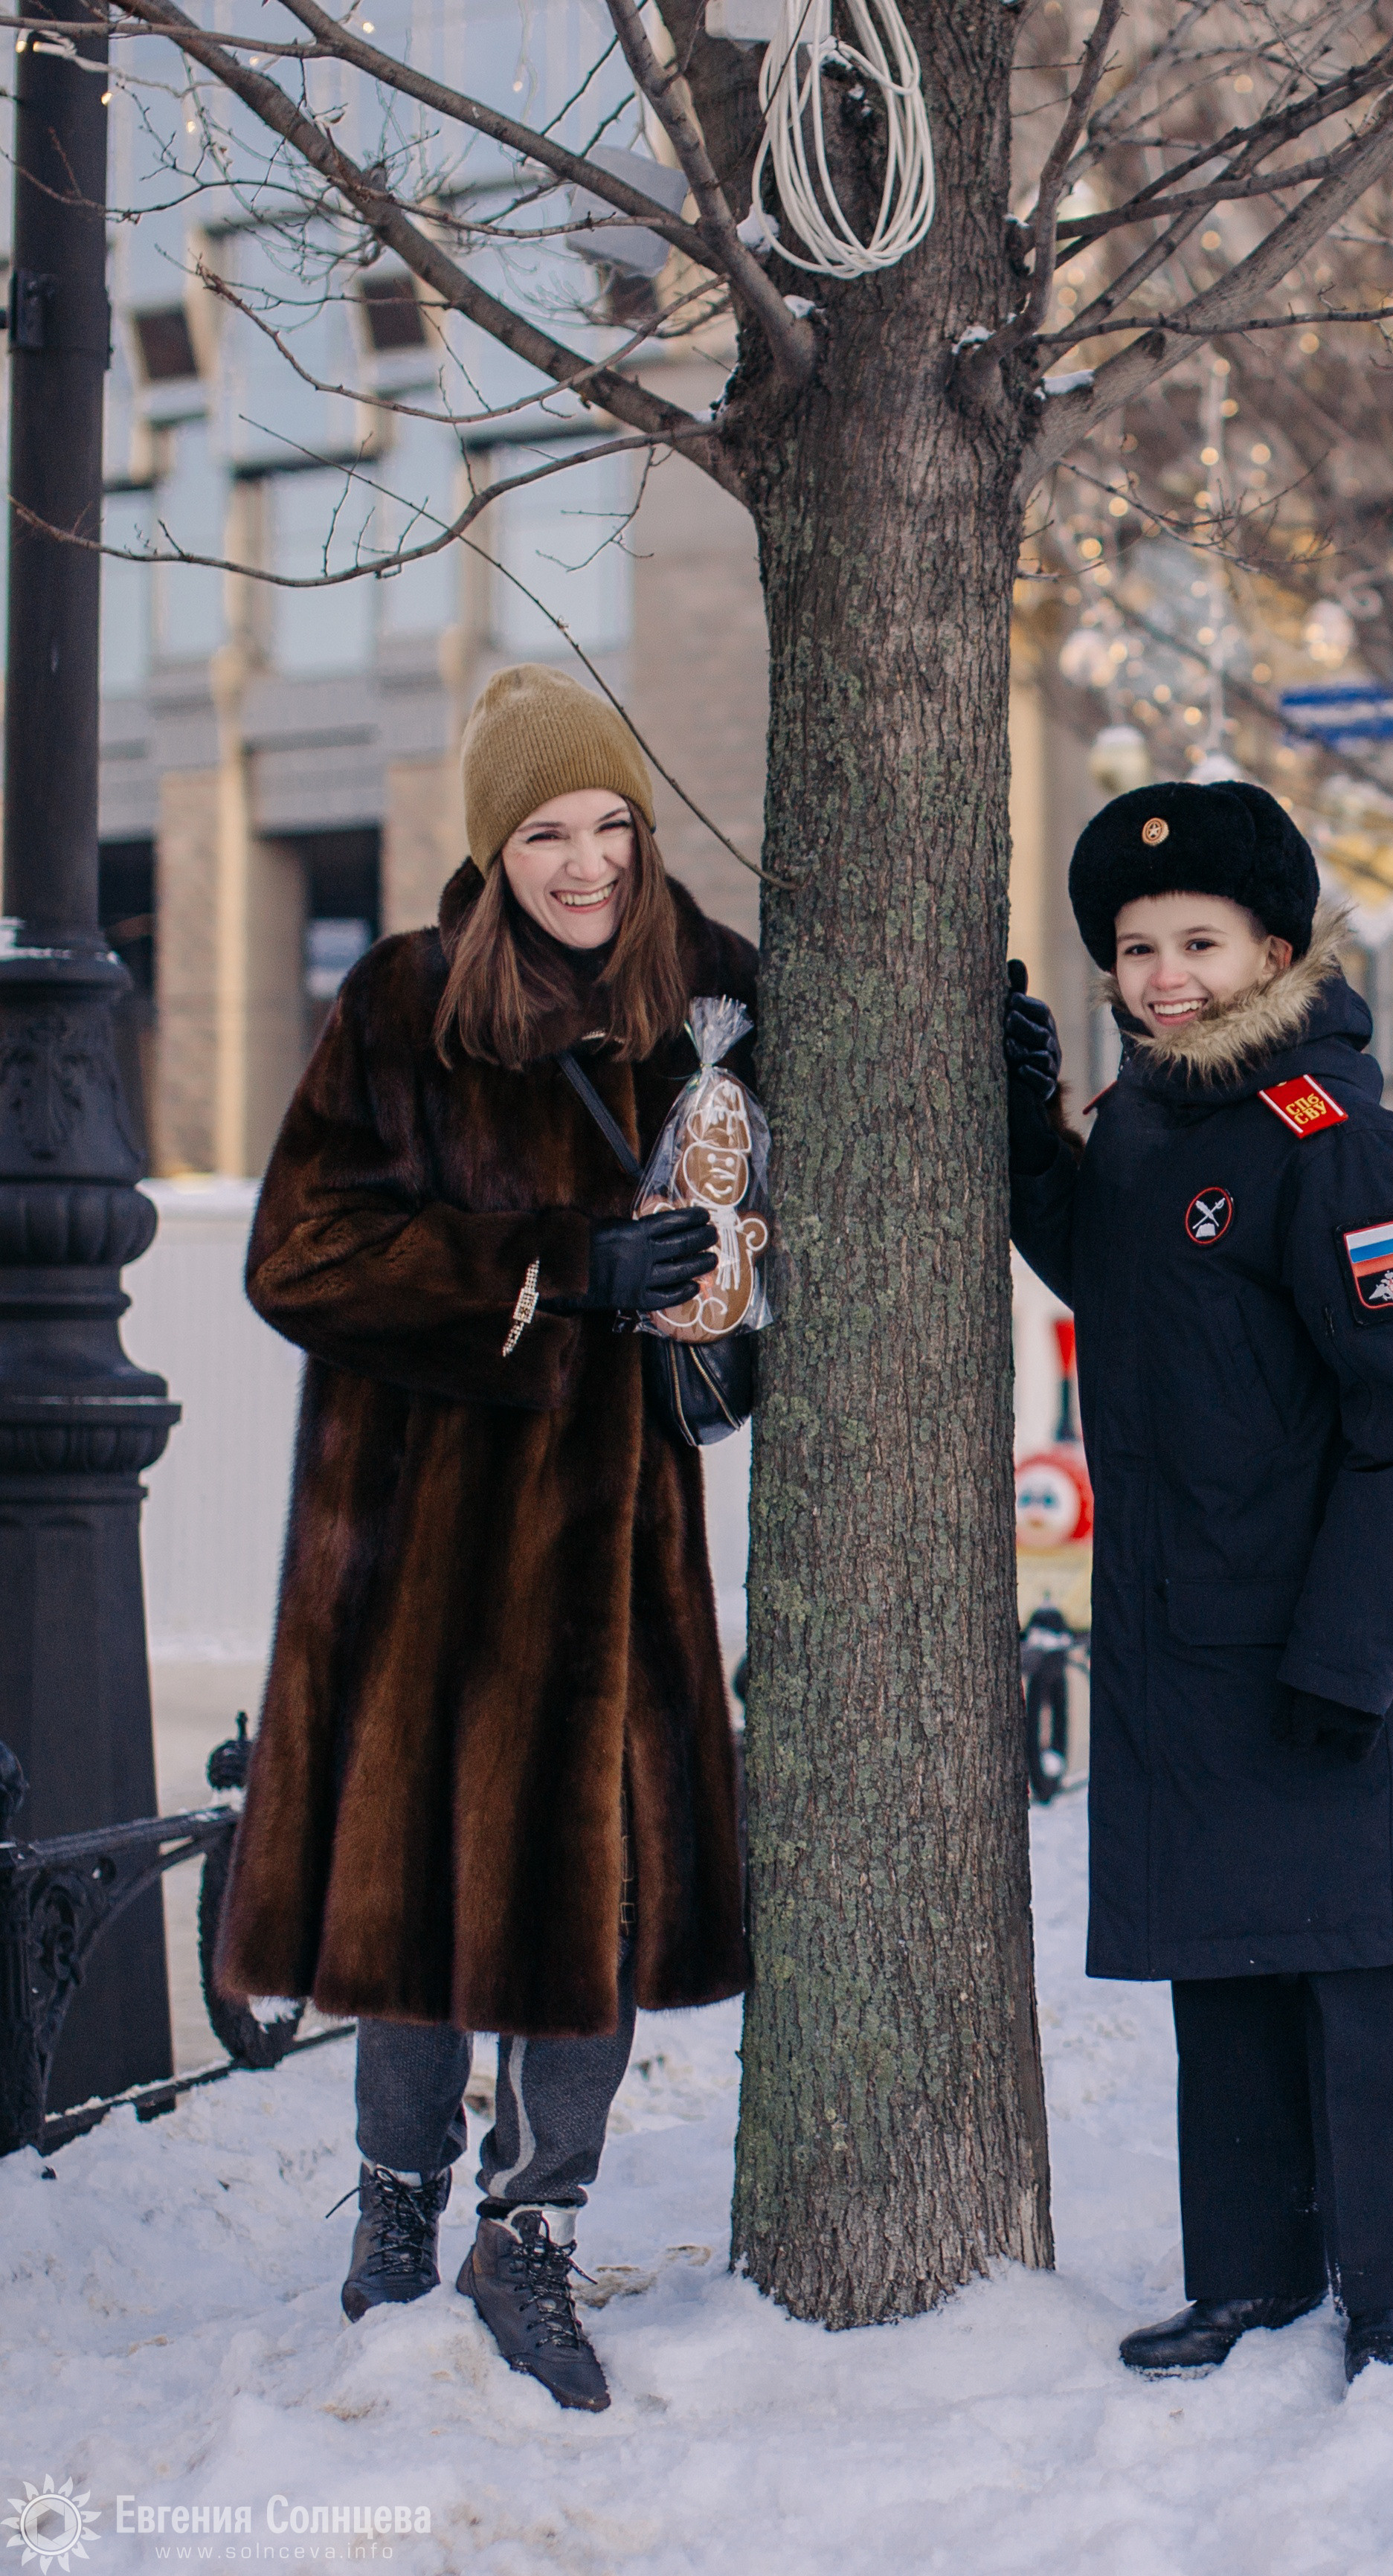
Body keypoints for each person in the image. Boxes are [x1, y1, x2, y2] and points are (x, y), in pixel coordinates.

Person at [215, 664, 756, 2412]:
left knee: (582, 1904)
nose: (590, 864)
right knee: (417, 1891)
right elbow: (295, 1256)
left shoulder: (708, 1002)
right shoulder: (402, 1007)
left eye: (612, 826)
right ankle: (393, 2212)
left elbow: (838, 1115)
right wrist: (550, 1264)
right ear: (491, 847)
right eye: (548, 834)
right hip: (427, 1540)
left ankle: (532, 2239)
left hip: (612, 1549)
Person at [1005, 779, 1393, 2389]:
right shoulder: (1143, 1123)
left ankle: (1390, 2282)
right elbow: (1128, 1278)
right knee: (1225, 1975)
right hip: (1187, 1632)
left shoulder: (1334, 1138)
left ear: (1276, 945)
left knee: (1353, 1973)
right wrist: (1025, 1142)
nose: (1163, 975)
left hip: (1326, 1639)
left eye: (1198, 940)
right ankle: (1252, 2273)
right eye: (1133, 948)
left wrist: (1352, 1653)